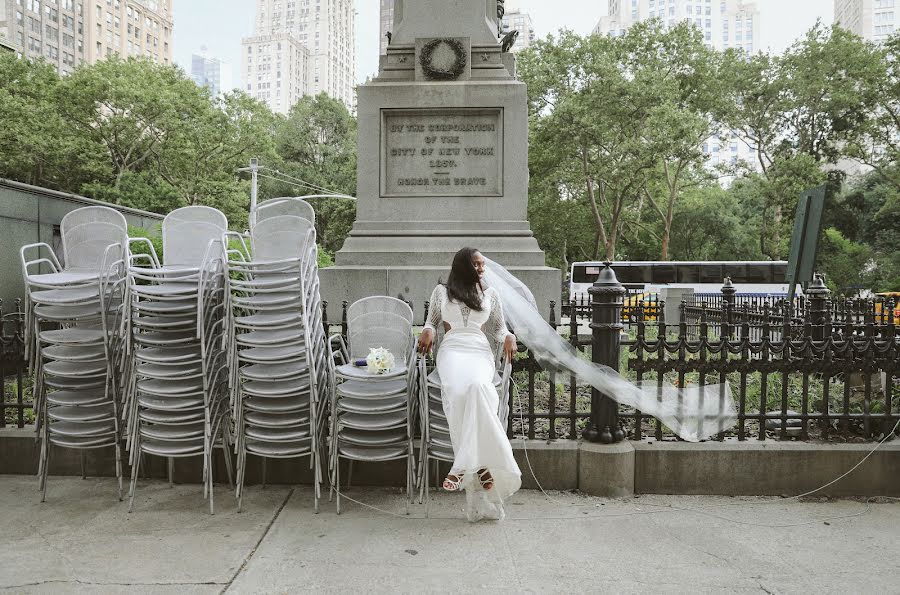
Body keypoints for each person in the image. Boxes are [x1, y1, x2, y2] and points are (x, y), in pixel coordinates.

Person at [418, 247, 521, 521]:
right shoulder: (442, 292)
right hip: (451, 350)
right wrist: (427, 331)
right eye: (476, 264)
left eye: (482, 265)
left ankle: (463, 467)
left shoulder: (490, 294)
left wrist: (508, 336)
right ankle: (482, 468)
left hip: (479, 351)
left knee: (478, 387)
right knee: (457, 390)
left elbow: (499, 328)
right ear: (464, 266)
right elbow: (431, 321)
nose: (481, 269)